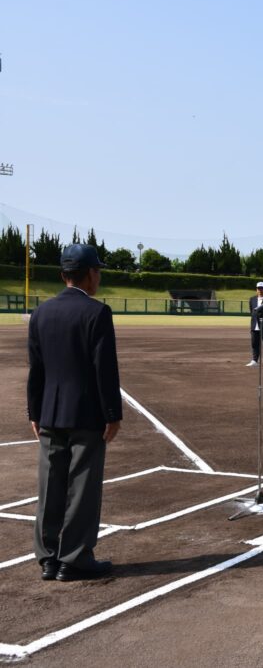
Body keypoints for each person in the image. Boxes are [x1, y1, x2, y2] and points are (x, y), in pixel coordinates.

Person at [28, 243, 122, 581]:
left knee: (50, 485)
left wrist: (33, 411)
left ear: (63, 275)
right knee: (82, 485)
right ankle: (75, 558)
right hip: (86, 413)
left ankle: (48, 557)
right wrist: (113, 412)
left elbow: (36, 370)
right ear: (90, 275)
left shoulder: (41, 313)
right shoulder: (97, 312)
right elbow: (104, 370)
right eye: (98, 271)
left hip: (50, 412)